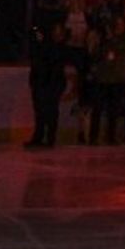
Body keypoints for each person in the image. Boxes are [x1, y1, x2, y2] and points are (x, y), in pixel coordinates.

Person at [25, 15, 70, 149]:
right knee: (40, 111)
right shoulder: (43, 44)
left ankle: (50, 138)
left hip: (52, 83)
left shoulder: (60, 48)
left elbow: (54, 66)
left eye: (59, 32)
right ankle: (39, 136)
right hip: (41, 82)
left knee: (50, 111)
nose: (57, 34)